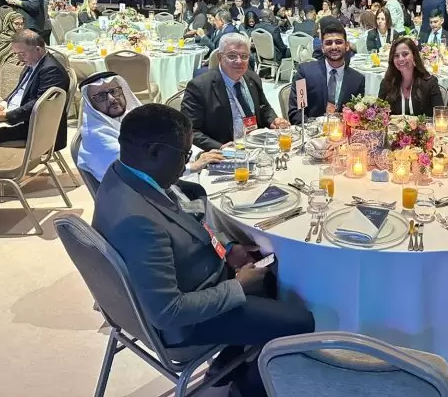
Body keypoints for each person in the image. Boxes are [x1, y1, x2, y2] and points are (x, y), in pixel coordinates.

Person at [92, 104, 315, 397]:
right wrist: (238, 286)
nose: (186, 164)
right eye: (184, 155)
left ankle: (228, 365)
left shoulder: (123, 174)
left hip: (193, 275)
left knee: (272, 273)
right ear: (155, 152)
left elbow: (184, 221)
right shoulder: (137, 221)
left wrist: (226, 248)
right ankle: (248, 387)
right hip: (185, 324)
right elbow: (168, 312)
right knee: (302, 322)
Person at [77, 71, 223, 182]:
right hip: (140, 195)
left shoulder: (130, 115)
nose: (111, 99)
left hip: (168, 177)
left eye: (114, 91)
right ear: (91, 104)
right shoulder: (97, 136)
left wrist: (200, 155)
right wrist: (193, 166)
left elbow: (170, 139)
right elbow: (137, 171)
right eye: (101, 96)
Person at [181, 33, 289, 151]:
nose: (239, 61)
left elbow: (264, 108)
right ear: (220, 57)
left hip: (256, 146)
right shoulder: (199, 87)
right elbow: (190, 131)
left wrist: (273, 120)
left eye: (244, 56)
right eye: (232, 56)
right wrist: (220, 148)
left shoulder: (252, 78)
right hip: (225, 152)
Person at [0, 30, 70, 150]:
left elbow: (40, 105)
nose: (19, 58)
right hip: (19, 115)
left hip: (34, 126)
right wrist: (3, 104)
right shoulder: (33, 62)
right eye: (16, 54)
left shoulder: (51, 70)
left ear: (38, 49)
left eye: (22, 54)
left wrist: (7, 116)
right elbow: (19, 90)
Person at [288, 20, 365, 124]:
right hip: (311, 130)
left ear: (347, 46)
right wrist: (317, 127)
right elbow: (296, 113)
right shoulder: (305, 73)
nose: (334, 47)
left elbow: (357, 116)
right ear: (322, 48)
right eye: (328, 43)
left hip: (342, 132)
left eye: (338, 42)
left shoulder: (357, 80)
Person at [378, 36, 443, 116]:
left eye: (405, 54)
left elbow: (440, 115)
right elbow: (379, 115)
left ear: (414, 56)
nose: (401, 59)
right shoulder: (386, 83)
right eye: (396, 56)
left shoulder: (430, 83)